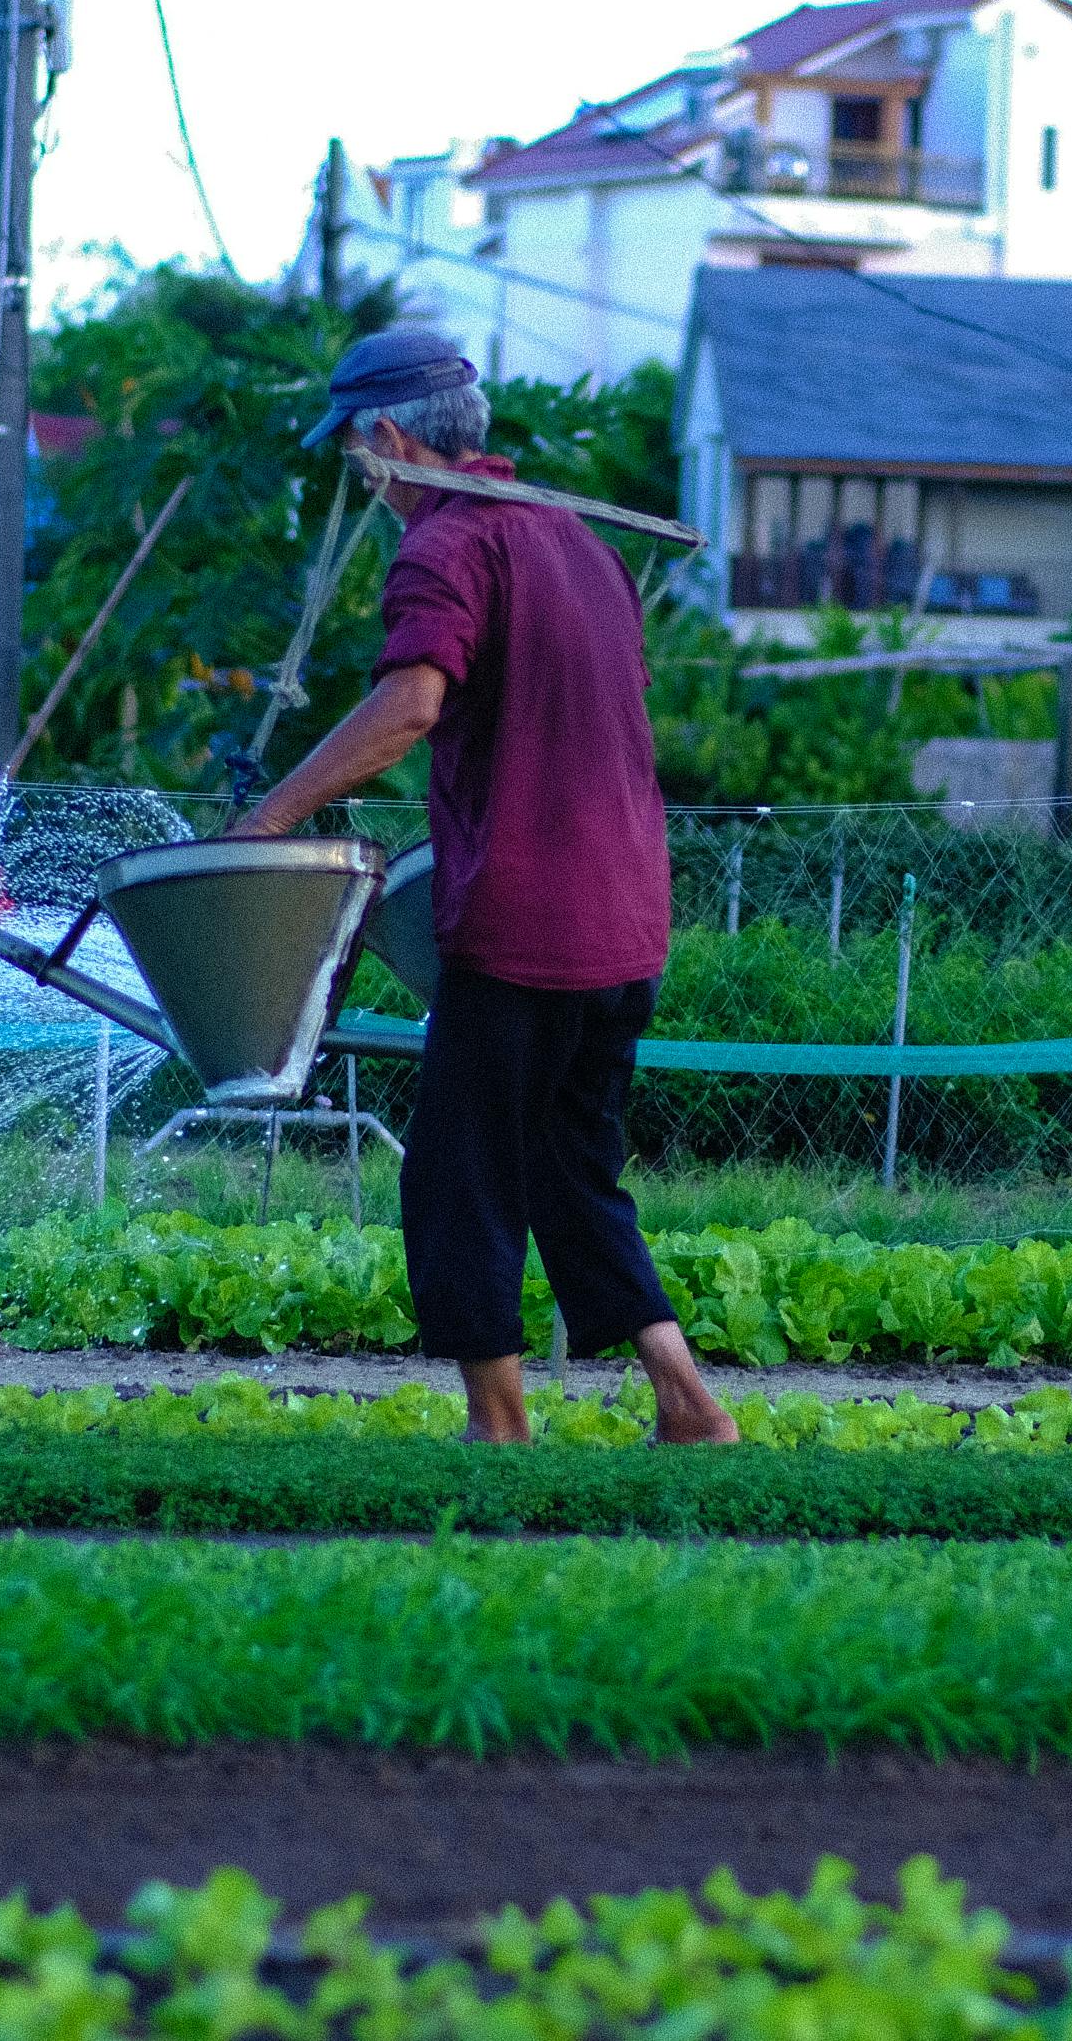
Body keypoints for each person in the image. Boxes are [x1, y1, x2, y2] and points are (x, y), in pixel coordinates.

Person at [225, 326, 737, 1447]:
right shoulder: (579, 542)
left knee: (460, 1174)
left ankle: (497, 1427)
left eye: (358, 455)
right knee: (569, 1166)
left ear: (387, 440)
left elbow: (411, 708)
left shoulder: (447, 549)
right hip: (628, 920)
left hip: (524, 923)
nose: (361, 480)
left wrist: (273, 814)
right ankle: (686, 1401)